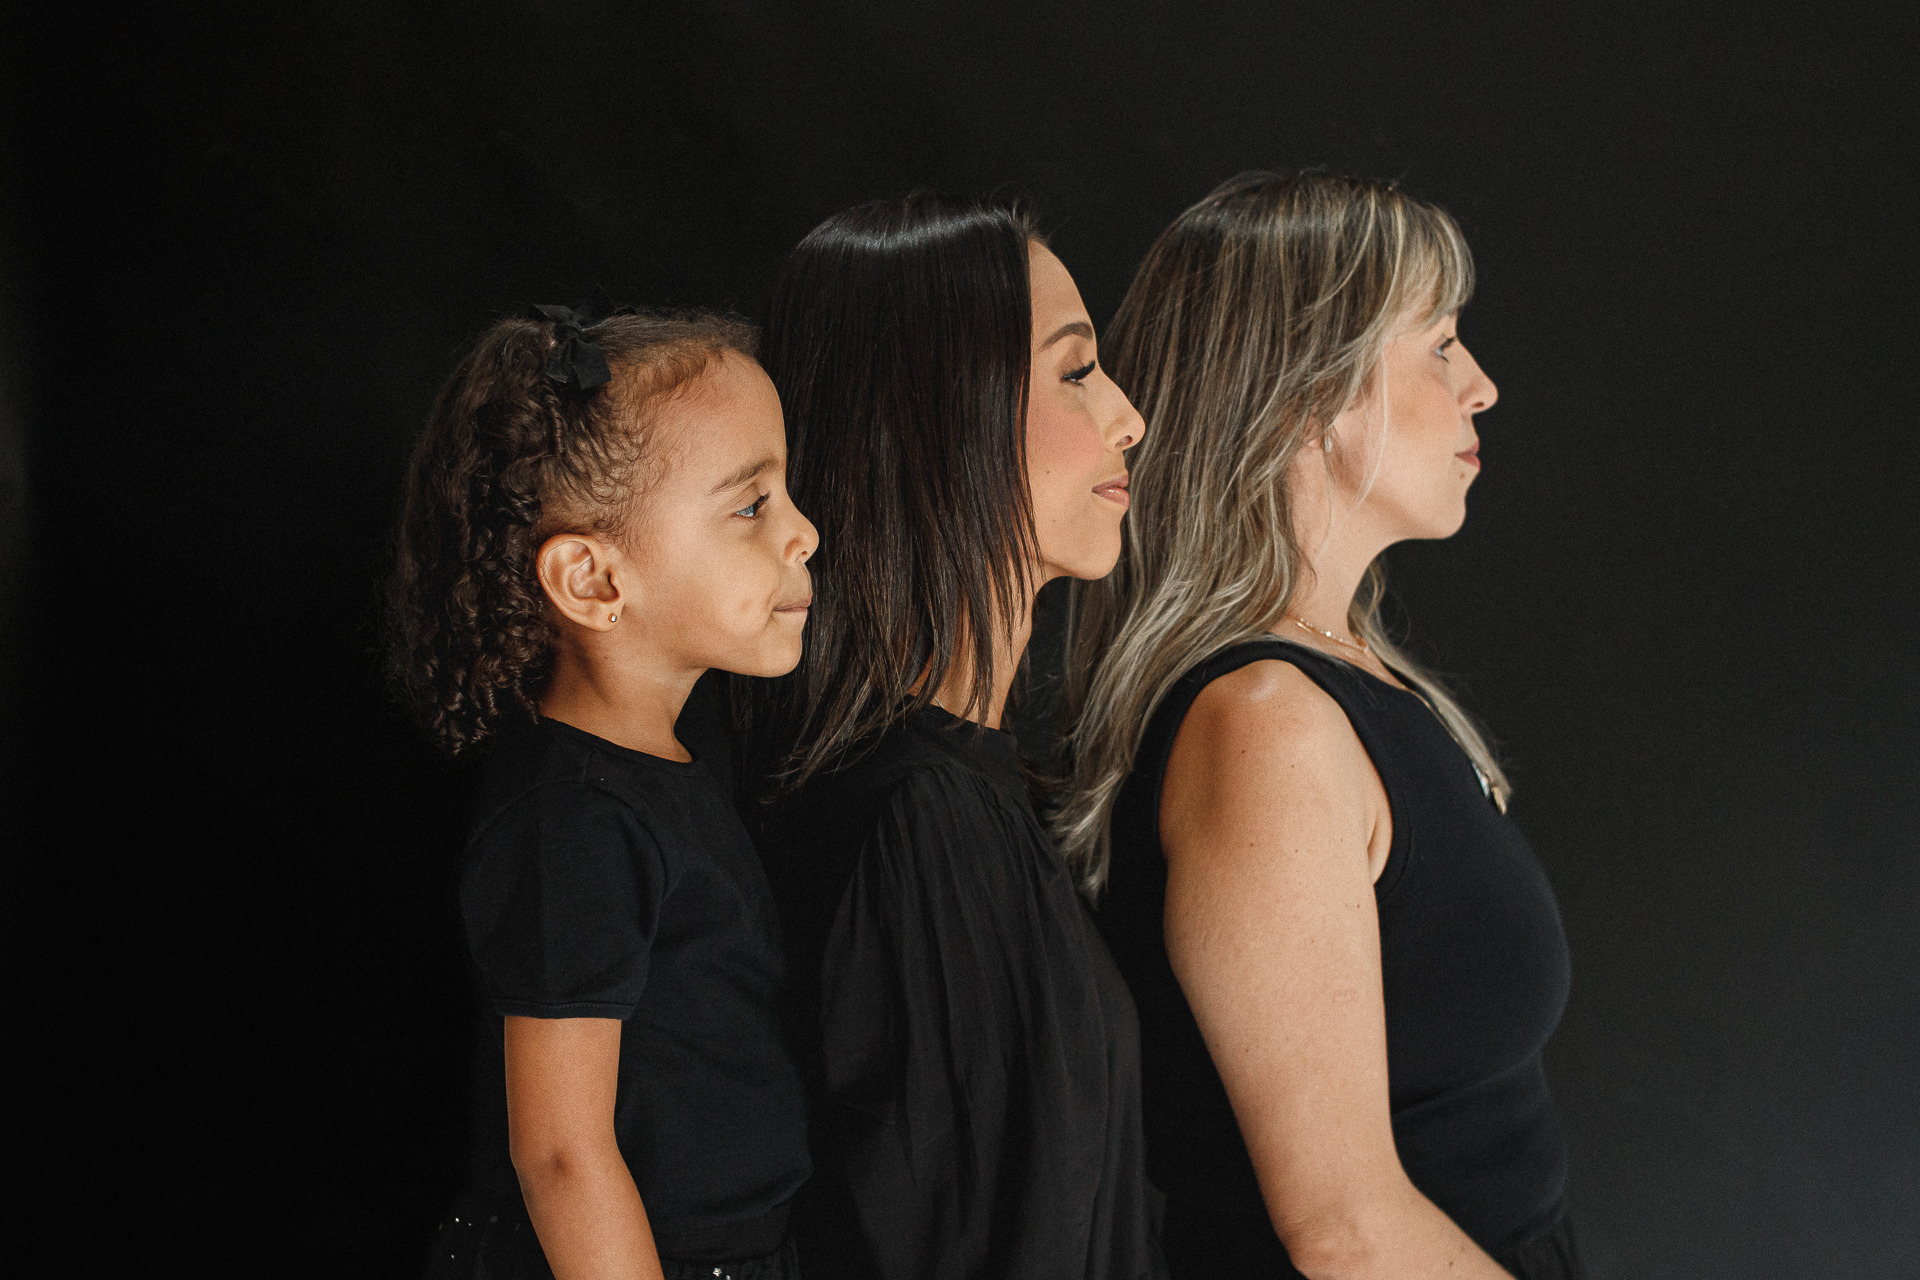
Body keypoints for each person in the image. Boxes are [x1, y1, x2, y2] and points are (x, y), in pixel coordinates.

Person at [1054, 172, 1582, 1280]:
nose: (1481, 386)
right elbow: (1343, 1228)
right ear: (1309, 396)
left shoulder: (1351, 679)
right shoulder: (1266, 731)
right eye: (1440, 345)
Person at [743, 193, 1165, 1280]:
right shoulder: (918, 826)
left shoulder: (970, 792)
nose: (1129, 417)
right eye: (1077, 372)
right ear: (941, 419)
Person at [388, 305, 819, 1280]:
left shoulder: (676, 763)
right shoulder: (574, 822)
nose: (804, 532)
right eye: (751, 505)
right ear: (591, 577)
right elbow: (561, 1156)